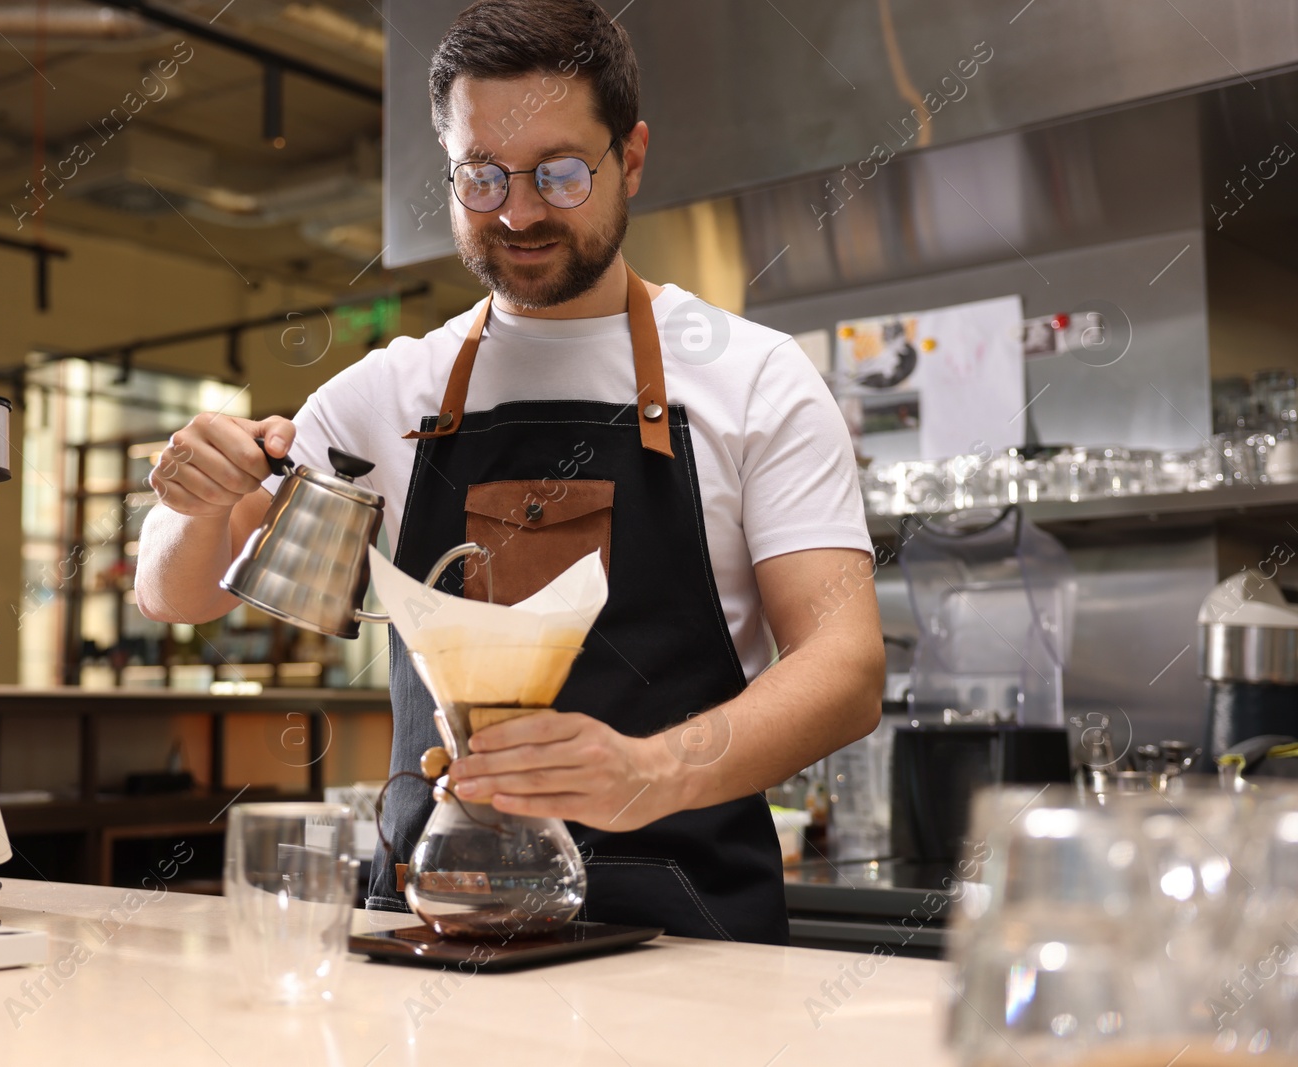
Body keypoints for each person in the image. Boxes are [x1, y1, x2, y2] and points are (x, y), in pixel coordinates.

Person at [136, 0, 883, 944]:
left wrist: (653, 770)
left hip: (687, 941)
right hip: (427, 928)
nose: (519, 212)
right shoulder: (386, 392)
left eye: (560, 174)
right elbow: (178, 595)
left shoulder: (753, 377)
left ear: (633, 159)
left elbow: (847, 668)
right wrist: (192, 495)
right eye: (481, 177)